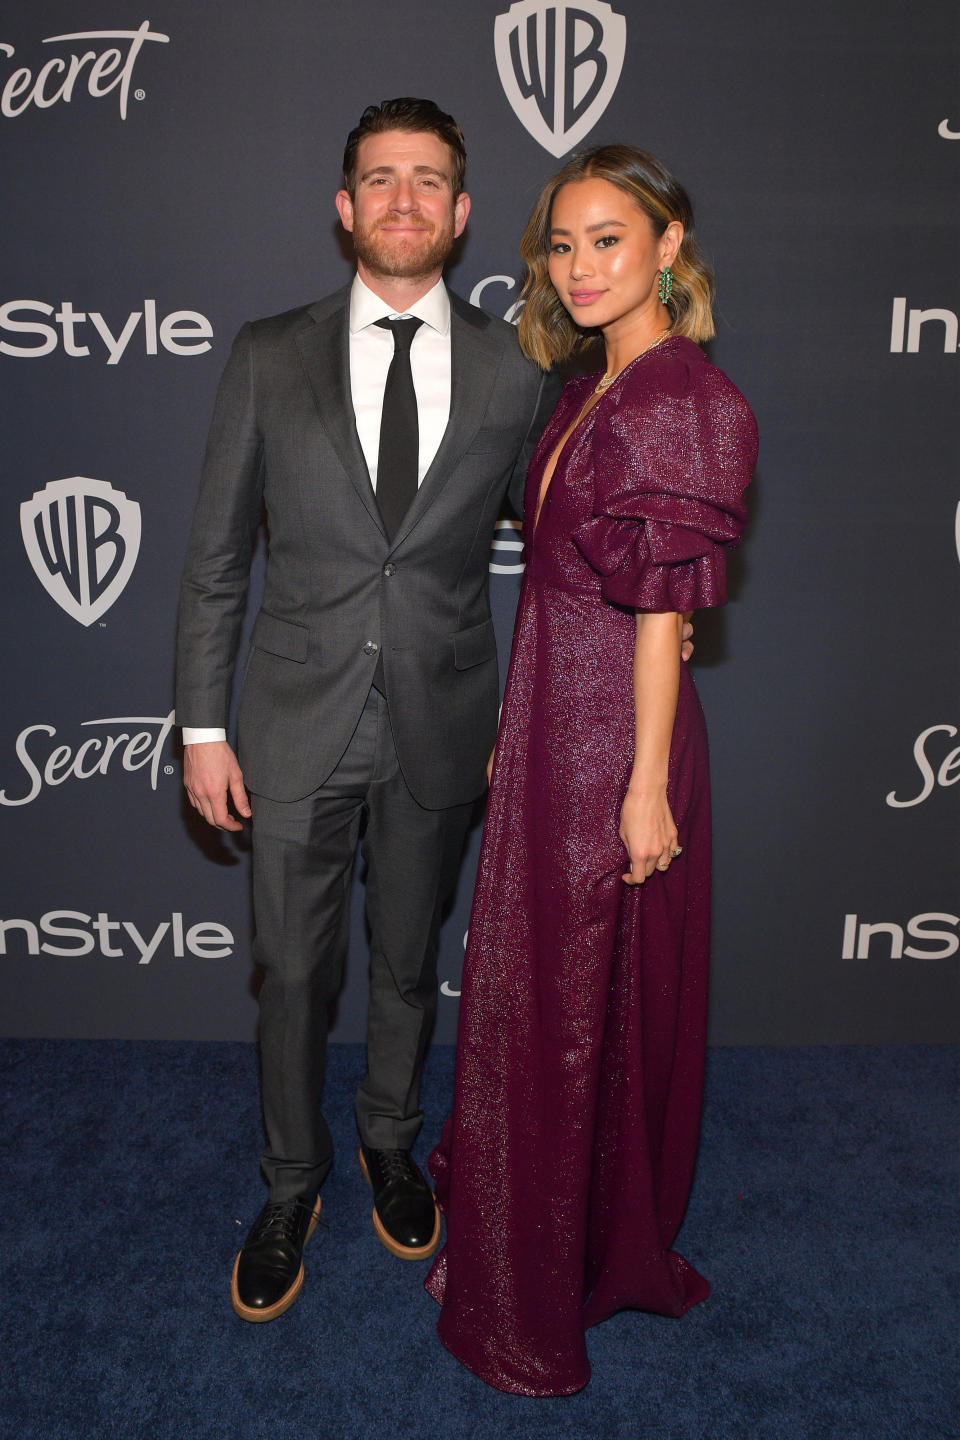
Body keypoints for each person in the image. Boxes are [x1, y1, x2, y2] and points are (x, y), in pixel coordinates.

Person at [174, 98, 562, 1322]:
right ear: (345, 209)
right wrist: (200, 726)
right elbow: (217, 559)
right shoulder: (266, 353)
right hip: (290, 721)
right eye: (379, 179)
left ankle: (390, 1142)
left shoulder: (516, 369)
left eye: (428, 180)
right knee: (292, 971)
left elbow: (554, 553)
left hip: (442, 723)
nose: (403, 199)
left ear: (459, 214)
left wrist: (651, 610)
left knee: (406, 961)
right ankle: (292, 1182)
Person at [425, 145, 758, 1395]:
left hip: (621, 743)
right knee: (552, 1005)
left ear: (670, 245)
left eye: (608, 240)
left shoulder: (680, 400)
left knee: (578, 1012)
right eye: (562, 245)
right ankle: (546, 1243)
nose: (578, 268)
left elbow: (663, 619)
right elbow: (566, 600)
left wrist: (642, 780)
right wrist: (524, 727)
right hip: (557, 728)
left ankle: (563, 1268)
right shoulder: (588, 388)